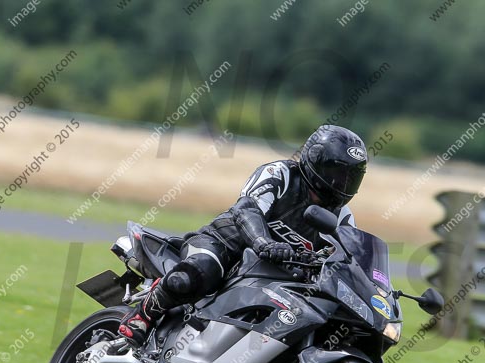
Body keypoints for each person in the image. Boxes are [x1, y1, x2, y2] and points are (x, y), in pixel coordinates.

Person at [118, 124, 368, 349]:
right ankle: (142, 315)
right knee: (196, 273)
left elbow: (349, 255)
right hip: (225, 244)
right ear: (315, 160)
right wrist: (264, 242)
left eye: (351, 178)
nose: (342, 184)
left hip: (280, 274)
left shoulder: (343, 215)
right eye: (337, 173)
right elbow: (247, 208)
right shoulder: (281, 174)